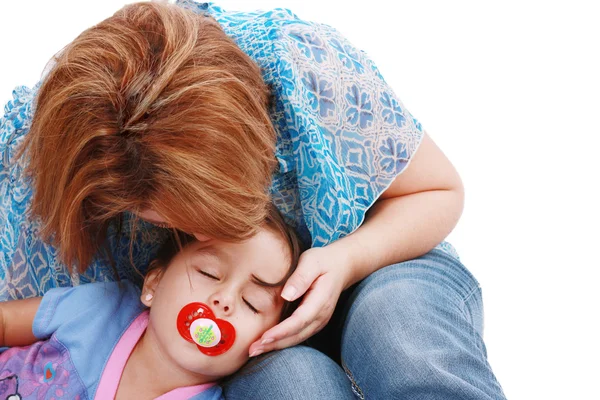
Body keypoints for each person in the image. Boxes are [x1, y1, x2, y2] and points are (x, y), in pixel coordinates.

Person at [0, 1, 506, 399]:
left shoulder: (303, 64)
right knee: (293, 384)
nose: (198, 231)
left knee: (399, 335)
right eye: (163, 215)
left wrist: (347, 259)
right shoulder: (37, 168)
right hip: (255, 342)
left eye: (203, 205)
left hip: (383, 254)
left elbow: (440, 191)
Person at [0, 209, 303, 399]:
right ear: (154, 284)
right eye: (208, 273)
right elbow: (6, 323)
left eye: (251, 303)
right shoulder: (100, 308)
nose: (224, 301)